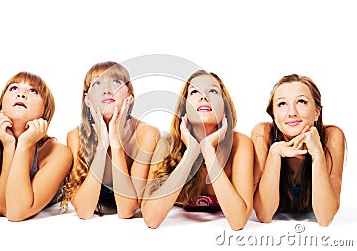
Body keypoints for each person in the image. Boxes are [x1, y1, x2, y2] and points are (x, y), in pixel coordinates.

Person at [141, 69, 254, 230]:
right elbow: (151, 219)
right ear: (184, 108)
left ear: (224, 106)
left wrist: (208, 151)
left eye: (213, 91)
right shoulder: (166, 143)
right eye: (194, 92)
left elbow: (238, 222)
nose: (203, 97)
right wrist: (191, 154)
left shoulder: (240, 144)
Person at [0, 71, 72, 221]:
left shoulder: (58, 153)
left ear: (45, 110)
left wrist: (24, 145)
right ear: (2, 103)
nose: (21, 95)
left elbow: (16, 213)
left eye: (33, 91)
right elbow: (2, 208)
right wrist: (9, 147)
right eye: (14, 88)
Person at [61, 61, 160, 219]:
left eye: (116, 82)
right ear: (87, 100)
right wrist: (102, 148)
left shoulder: (146, 135)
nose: (106, 90)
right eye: (97, 84)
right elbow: (85, 212)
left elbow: (126, 210)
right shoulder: (75, 137)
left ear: (130, 96)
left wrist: (115, 145)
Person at [252, 74, 346, 226]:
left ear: (317, 112)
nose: (291, 112)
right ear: (274, 115)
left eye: (301, 102)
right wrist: (275, 153)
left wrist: (317, 155)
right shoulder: (263, 134)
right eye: (282, 104)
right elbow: (264, 214)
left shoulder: (332, 136)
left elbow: (325, 218)